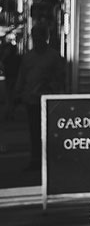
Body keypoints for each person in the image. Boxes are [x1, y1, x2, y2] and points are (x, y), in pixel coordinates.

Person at [13, 26, 65, 170]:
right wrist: (18, 94)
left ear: (45, 37)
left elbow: (61, 77)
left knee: (48, 132)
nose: (36, 40)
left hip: (49, 101)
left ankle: (49, 160)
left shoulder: (53, 56)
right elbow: (22, 77)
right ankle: (35, 159)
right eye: (34, 37)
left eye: (38, 36)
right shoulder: (28, 57)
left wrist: (52, 85)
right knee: (34, 131)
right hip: (31, 100)